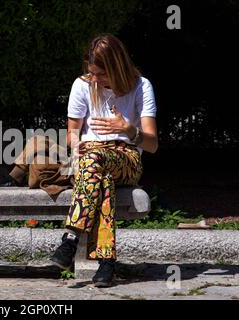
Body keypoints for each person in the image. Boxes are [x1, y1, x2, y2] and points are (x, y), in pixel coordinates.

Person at [50, 33, 158, 287]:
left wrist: (129, 129)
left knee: (95, 162)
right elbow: (72, 134)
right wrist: (77, 147)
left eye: (102, 74)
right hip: (90, 159)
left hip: (126, 157)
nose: (95, 80)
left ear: (117, 68)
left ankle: (71, 237)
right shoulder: (82, 85)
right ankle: (106, 263)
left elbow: (152, 144)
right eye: (92, 73)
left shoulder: (142, 86)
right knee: (101, 176)